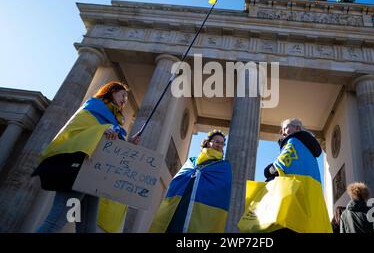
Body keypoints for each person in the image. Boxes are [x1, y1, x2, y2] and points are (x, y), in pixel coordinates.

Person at [33, 81, 140, 233]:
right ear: (113, 91)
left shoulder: (114, 121)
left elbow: (111, 147)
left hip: (93, 177)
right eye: (123, 95)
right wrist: (103, 129)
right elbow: (78, 128)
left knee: (87, 229)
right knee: (55, 222)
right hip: (78, 171)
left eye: (126, 99)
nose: (124, 100)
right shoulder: (94, 106)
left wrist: (130, 144)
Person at [240, 118, 332, 233]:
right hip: (309, 195)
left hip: (293, 197)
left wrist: (268, 170)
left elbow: (282, 163)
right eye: (282, 129)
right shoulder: (309, 150)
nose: (283, 131)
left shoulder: (294, 140)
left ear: (297, 128)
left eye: (286, 128)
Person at [149, 129, 232, 233]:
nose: (220, 145)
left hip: (201, 211)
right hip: (180, 205)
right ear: (208, 143)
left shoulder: (223, 167)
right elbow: (176, 182)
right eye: (216, 142)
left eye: (222, 143)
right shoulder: (192, 162)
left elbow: (222, 192)